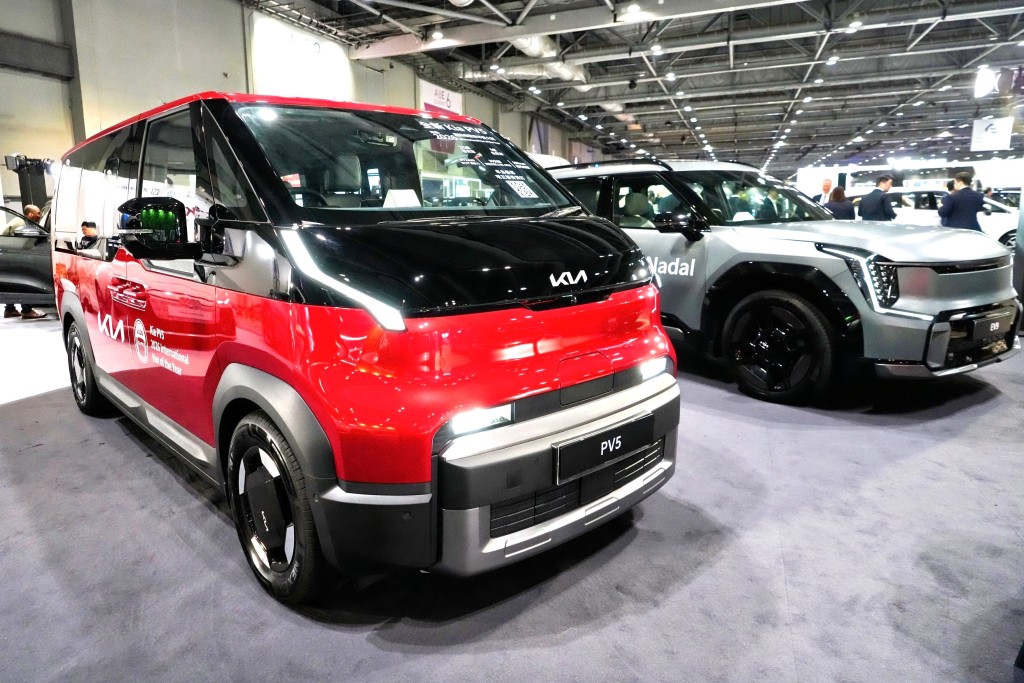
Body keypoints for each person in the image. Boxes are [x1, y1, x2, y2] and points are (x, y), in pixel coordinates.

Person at [2, 204, 47, 319]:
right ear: (30, 214)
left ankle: (10, 309)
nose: (40, 215)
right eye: (38, 213)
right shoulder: (21, 223)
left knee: (15, 282)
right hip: (15, 256)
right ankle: (27, 311)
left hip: (9, 256)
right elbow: (22, 242)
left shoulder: (20, 221)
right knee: (26, 280)